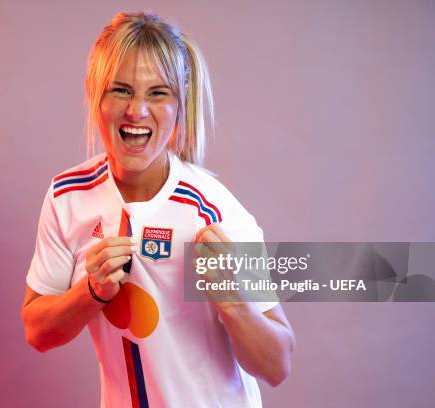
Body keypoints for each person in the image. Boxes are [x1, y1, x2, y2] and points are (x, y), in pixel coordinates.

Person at [21, 11, 295, 407]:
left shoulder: (214, 212)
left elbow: (277, 365)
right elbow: (37, 332)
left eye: (157, 93)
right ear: (94, 93)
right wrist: (91, 293)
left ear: (180, 104)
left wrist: (232, 300)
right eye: (120, 90)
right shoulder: (68, 196)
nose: (136, 111)